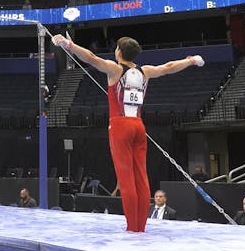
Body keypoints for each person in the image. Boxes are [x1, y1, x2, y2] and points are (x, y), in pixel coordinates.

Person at [52, 34, 205, 232]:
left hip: (120, 126)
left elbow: (91, 57)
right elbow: (169, 67)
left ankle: (132, 228)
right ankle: (140, 227)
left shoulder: (115, 69)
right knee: (141, 176)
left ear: (119, 52)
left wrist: (68, 45)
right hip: (138, 126)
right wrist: (191, 60)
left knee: (126, 180)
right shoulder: (146, 71)